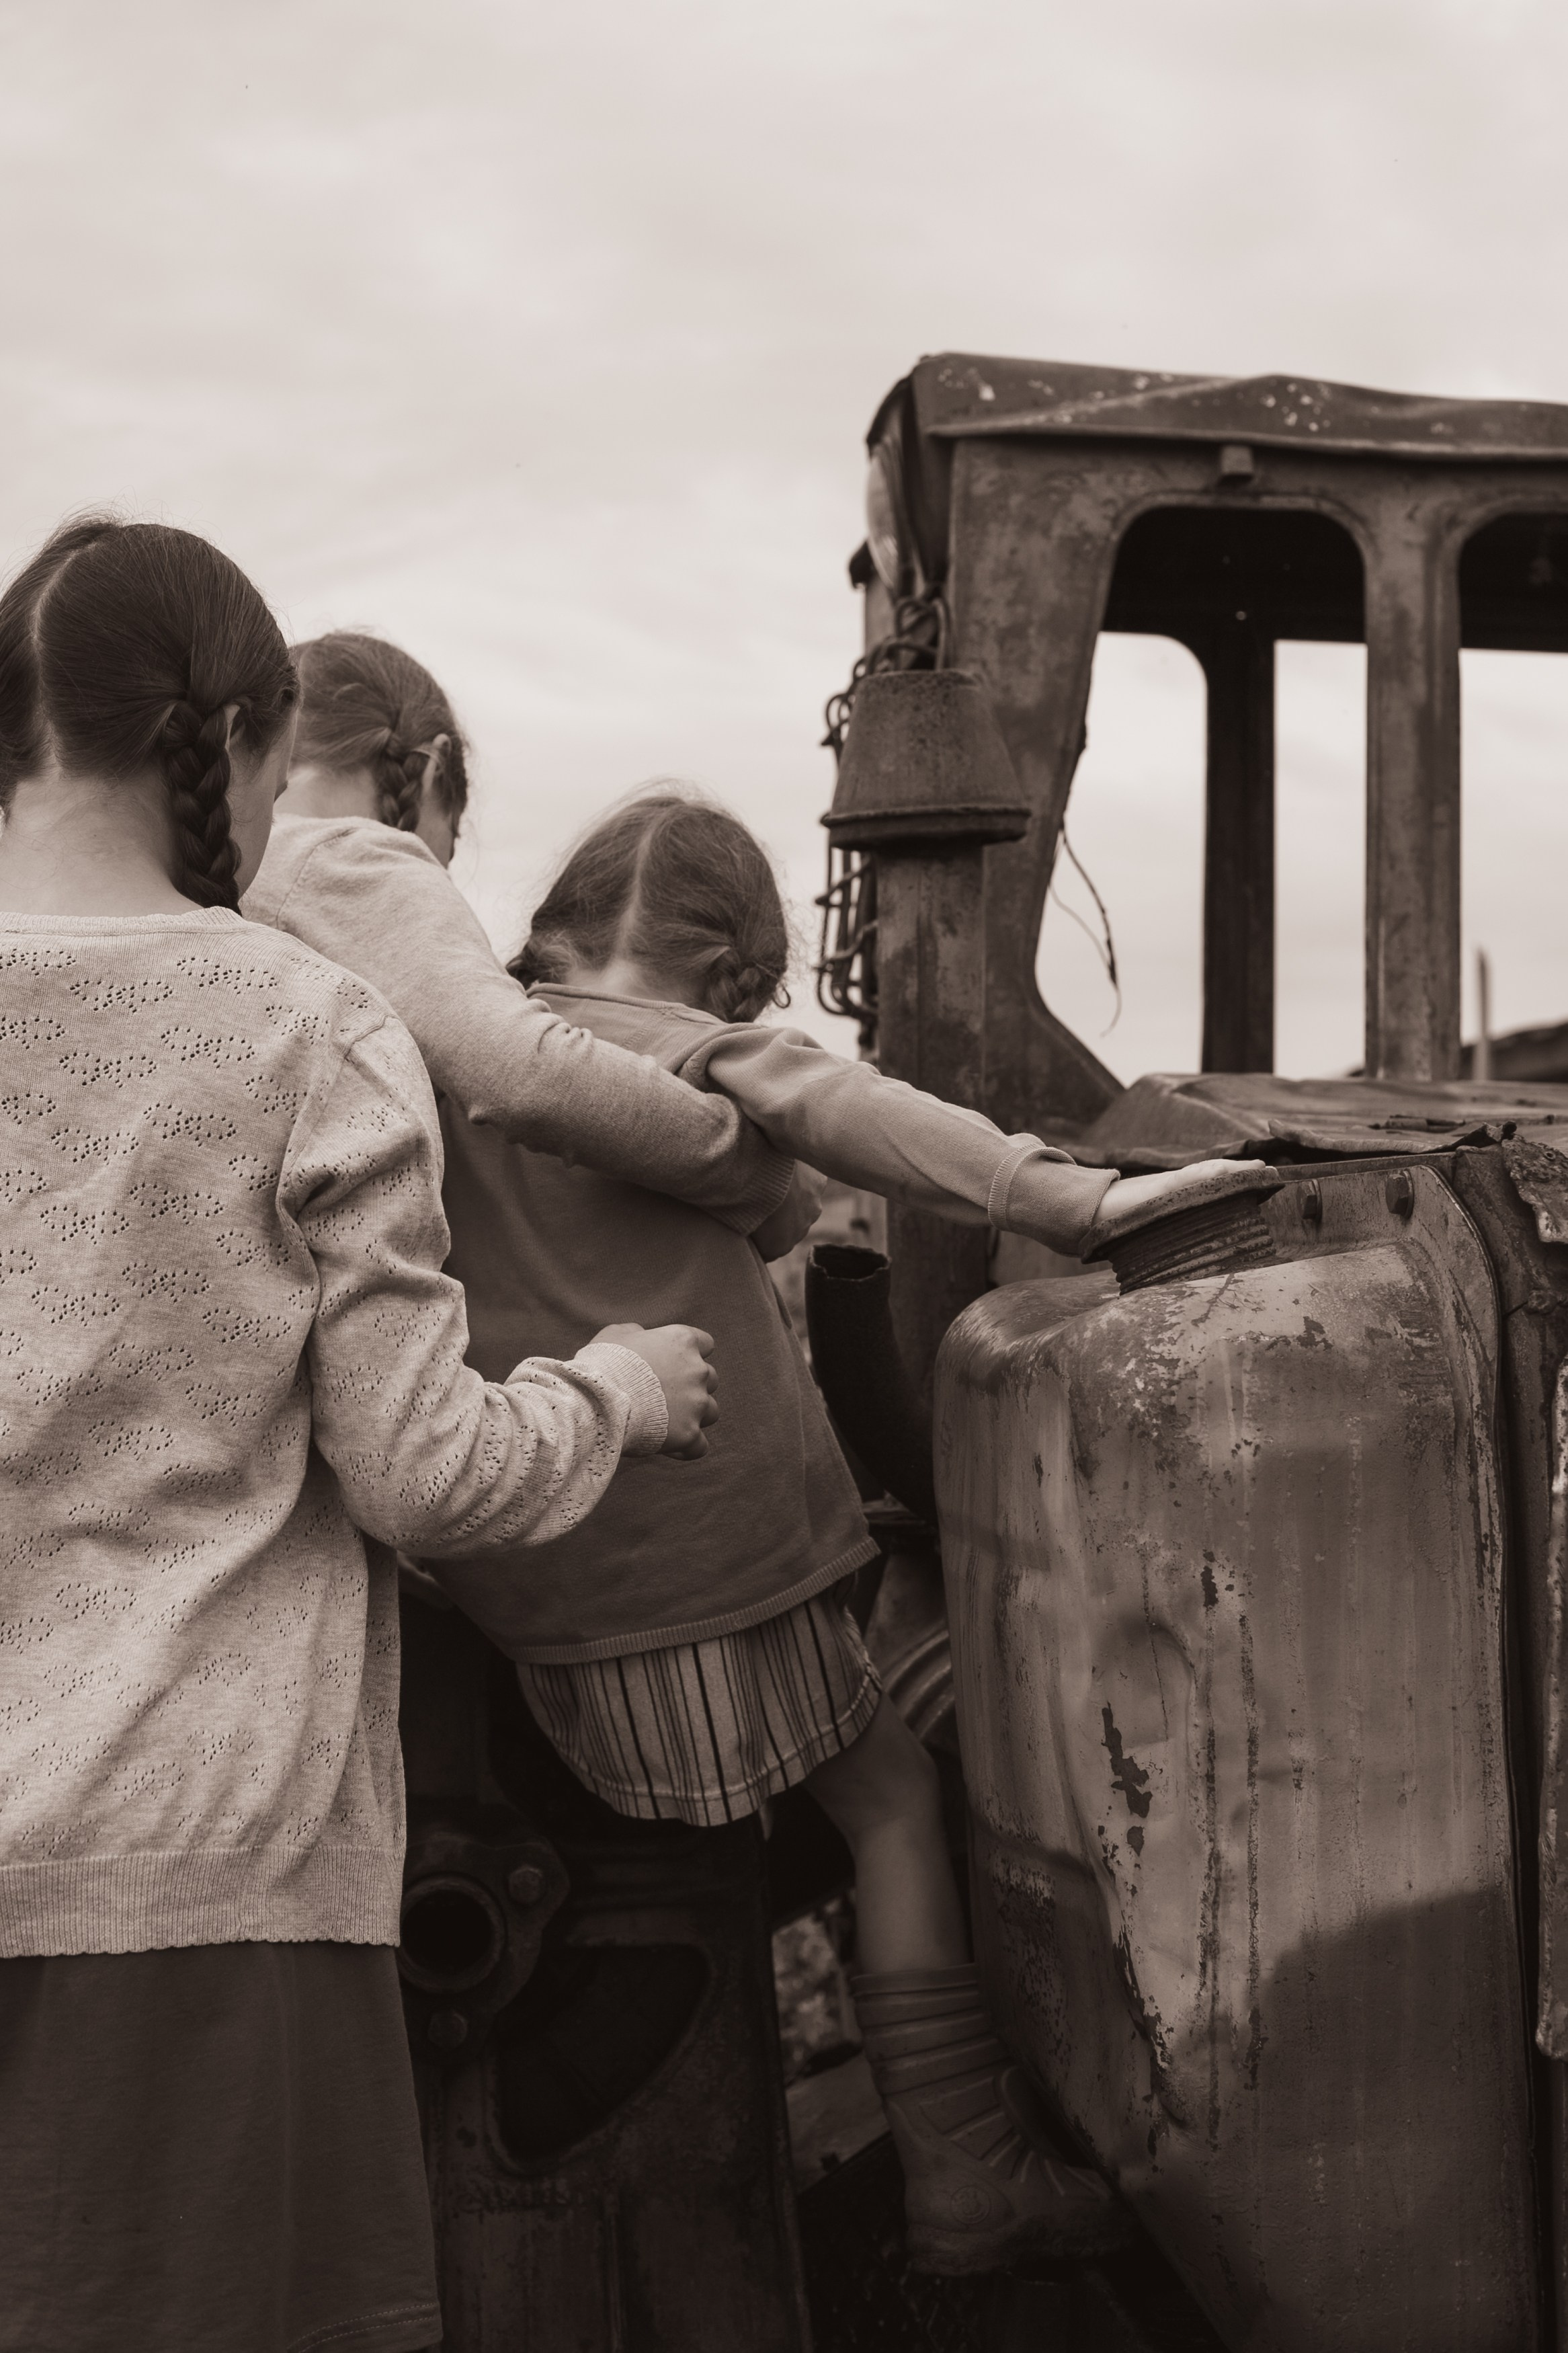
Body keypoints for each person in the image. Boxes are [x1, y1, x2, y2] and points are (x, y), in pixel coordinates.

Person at [0, 520, 718, 2353]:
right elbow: (421, 1474)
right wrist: (614, 1392)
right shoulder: (304, 1026)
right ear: (243, 749)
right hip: (203, 1882)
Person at [423, 789, 1250, 2276]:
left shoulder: (452, 1052)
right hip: (709, 1589)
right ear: (734, 981)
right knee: (890, 1805)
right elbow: (846, 1110)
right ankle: (966, 2178)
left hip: (541, 1606)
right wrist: (1066, 1197)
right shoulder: (664, 1051)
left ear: (554, 926)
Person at [245, 629, 797, 1246]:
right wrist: (757, 1173)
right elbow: (526, 1075)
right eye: (446, 848)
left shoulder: (222, 868)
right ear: (432, 767)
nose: (440, 878)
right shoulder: (360, 863)